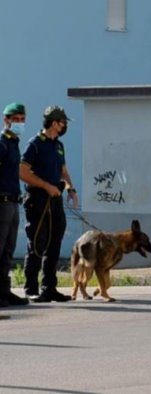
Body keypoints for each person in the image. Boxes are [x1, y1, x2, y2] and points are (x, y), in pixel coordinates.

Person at [20, 105, 78, 302]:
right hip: (38, 200)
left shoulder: (58, 145)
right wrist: (46, 186)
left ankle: (49, 288)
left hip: (55, 200)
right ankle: (31, 289)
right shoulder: (35, 144)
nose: (64, 126)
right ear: (54, 123)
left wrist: (71, 188)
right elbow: (23, 172)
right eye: (63, 123)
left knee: (55, 243)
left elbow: (63, 170)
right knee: (37, 243)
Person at [0, 103, 29, 307]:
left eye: (21, 119)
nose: (19, 123)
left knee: (8, 249)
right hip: (1, 202)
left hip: (13, 201)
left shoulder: (14, 143)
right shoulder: (2, 143)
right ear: (6, 120)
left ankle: (4, 291)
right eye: (15, 119)